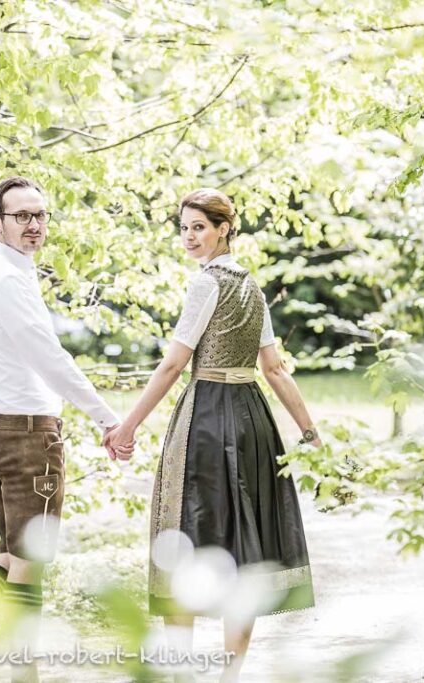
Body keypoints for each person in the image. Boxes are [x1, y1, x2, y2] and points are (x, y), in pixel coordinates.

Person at [106, 188, 318, 682]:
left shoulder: (206, 285)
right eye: (183, 228)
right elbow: (274, 370)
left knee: (186, 534)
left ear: (224, 228)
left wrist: (128, 425)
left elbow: (174, 363)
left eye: (198, 227)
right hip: (251, 421)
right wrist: (308, 432)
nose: (189, 237)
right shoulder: (253, 287)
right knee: (244, 539)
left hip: (205, 419)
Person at [0, 176, 132, 683]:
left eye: (40, 215)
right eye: (22, 216)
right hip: (24, 435)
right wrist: (108, 418)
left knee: (11, 555)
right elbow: (49, 358)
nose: (34, 225)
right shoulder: (5, 278)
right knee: (30, 560)